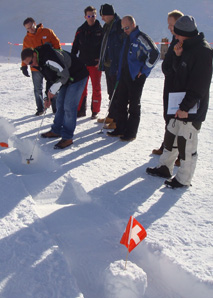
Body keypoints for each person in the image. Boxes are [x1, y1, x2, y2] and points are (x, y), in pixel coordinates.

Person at [146, 15, 213, 188]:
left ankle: (183, 179)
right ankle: (164, 168)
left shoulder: (203, 51)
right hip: (177, 102)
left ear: (186, 33)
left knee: (186, 143)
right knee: (171, 135)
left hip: (190, 107)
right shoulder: (184, 46)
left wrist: (185, 107)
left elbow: (200, 84)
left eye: (177, 33)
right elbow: (176, 72)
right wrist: (176, 56)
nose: (175, 36)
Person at [21, 43, 88, 149]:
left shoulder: (48, 57)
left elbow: (64, 75)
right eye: (28, 65)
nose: (31, 65)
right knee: (60, 103)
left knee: (69, 106)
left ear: (34, 54)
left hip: (77, 75)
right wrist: (47, 97)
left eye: (30, 62)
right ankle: (56, 131)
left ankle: (67, 138)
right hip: (66, 78)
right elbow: (50, 78)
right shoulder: (39, 61)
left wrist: (53, 90)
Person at [107, 16, 159, 141]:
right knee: (121, 102)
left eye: (127, 27)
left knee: (134, 105)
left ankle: (131, 132)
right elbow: (123, 58)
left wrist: (144, 69)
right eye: (123, 28)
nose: (125, 30)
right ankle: (120, 128)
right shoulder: (126, 38)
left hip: (136, 76)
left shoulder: (141, 37)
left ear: (133, 24)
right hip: (124, 74)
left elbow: (155, 54)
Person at [152, 10, 184, 166]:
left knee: (176, 120)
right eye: (169, 25)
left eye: (171, 25)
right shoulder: (174, 39)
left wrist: (169, 70)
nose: (169, 27)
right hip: (169, 85)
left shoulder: (182, 42)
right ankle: (167, 146)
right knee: (168, 117)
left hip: (177, 86)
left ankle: (178, 154)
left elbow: (179, 65)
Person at [21, 17, 61, 116]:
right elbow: (24, 53)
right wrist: (24, 66)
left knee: (53, 86)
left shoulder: (47, 32)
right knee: (37, 88)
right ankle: (40, 108)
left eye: (31, 26)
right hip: (35, 68)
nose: (31, 29)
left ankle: (55, 108)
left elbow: (57, 44)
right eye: (28, 29)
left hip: (49, 66)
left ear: (35, 23)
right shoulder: (27, 39)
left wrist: (57, 57)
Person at [71, 6, 103, 119]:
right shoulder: (80, 30)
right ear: (85, 17)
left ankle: (95, 110)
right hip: (82, 64)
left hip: (95, 65)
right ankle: (80, 110)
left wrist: (101, 60)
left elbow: (104, 48)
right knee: (81, 88)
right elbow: (74, 47)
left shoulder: (101, 29)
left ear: (96, 16)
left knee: (96, 88)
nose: (91, 18)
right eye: (89, 16)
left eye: (93, 15)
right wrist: (73, 62)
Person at [97, 3, 124, 129]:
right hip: (108, 64)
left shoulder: (119, 25)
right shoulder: (107, 26)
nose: (102, 18)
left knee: (117, 93)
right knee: (110, 91)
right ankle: (112, 115)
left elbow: (122, 45)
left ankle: (118, 120)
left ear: (109, 14)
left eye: (103, 15)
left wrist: (120, 63)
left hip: (116, 64)